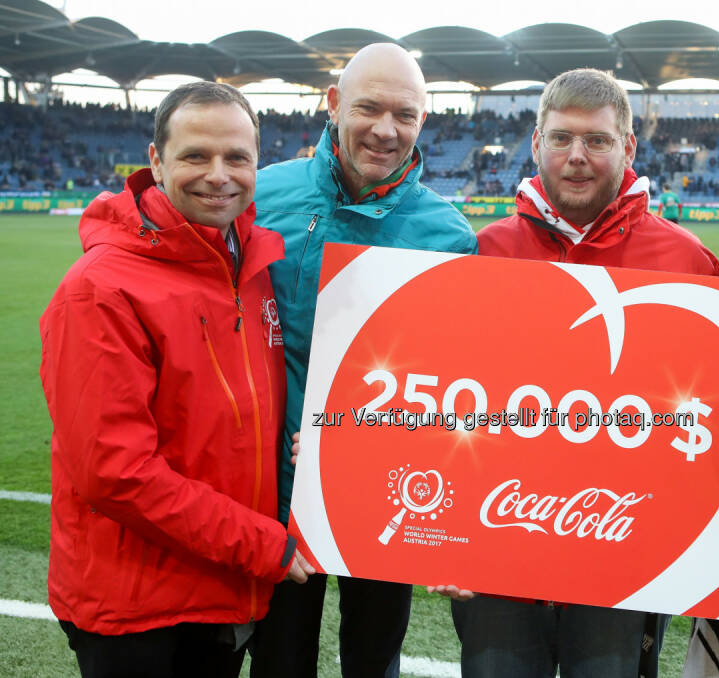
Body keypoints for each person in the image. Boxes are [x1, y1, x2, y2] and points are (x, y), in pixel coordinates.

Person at [433, 67, 719, 678]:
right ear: (536, 145)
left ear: (629, 148)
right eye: (561, 139)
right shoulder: (484, 253)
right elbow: (441, 397)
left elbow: (713, 414)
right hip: (496, 539)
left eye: (597, 140)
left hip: (625, 541)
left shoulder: (687, 261)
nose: (577, 157)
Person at [39, 81, 315, 678]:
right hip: (139, 610)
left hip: (223, 590)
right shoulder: (100, 289)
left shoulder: (251, 266)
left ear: (257, 164)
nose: (219, 175)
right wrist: (262, 546)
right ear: (156, 161)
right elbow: (117, 472)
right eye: (196, 155)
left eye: (237, 158)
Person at [249, 43, 478, 678]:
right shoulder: (260, 198)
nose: (385, 129)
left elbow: (457, 380)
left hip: (385, 497)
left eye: (404, 114)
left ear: (423, 121)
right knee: (278, 660)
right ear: (333, 105)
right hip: (275, 495)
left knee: (374, 660)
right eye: (368, 108)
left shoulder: (448, 235)